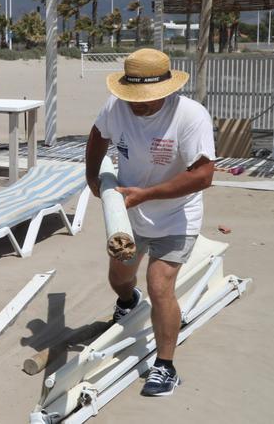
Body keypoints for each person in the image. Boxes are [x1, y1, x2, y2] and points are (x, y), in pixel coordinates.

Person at [84, 48, 215, 398]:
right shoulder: (116, 107)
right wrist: (91, 176)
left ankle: (165, 366)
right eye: (133, 98)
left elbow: (203, 176)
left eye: (147, 99)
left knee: (160, 287)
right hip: (129, 212)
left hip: (177, 214)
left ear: (168, 90)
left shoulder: (191, 117)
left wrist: (148, 194)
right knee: (119, 279)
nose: (138, 105)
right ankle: (128, 301)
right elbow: (98, 135)